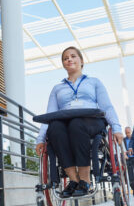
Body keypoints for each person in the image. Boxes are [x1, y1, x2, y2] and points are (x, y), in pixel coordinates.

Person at [36, 46, 123, 197]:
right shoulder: (57, 88)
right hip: (65, 122)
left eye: (73, 56)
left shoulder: (94, 82)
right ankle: (74, 180)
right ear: (63, 64)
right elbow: (49, 115)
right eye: (65, 58)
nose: (69, 59)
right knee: (54, 128)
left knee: (76, 124)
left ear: (81, 61)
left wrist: (116, 128)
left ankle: (85, 179)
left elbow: (107, 106)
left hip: (91, 121)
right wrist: (40, 139)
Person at [123, 127, 134, 197]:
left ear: (131, 132)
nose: (127, 134)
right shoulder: (123, 140)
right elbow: (122, 149)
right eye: (126, 133)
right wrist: (124, 154)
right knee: (130, 177)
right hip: (127, 159)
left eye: (128, 132)